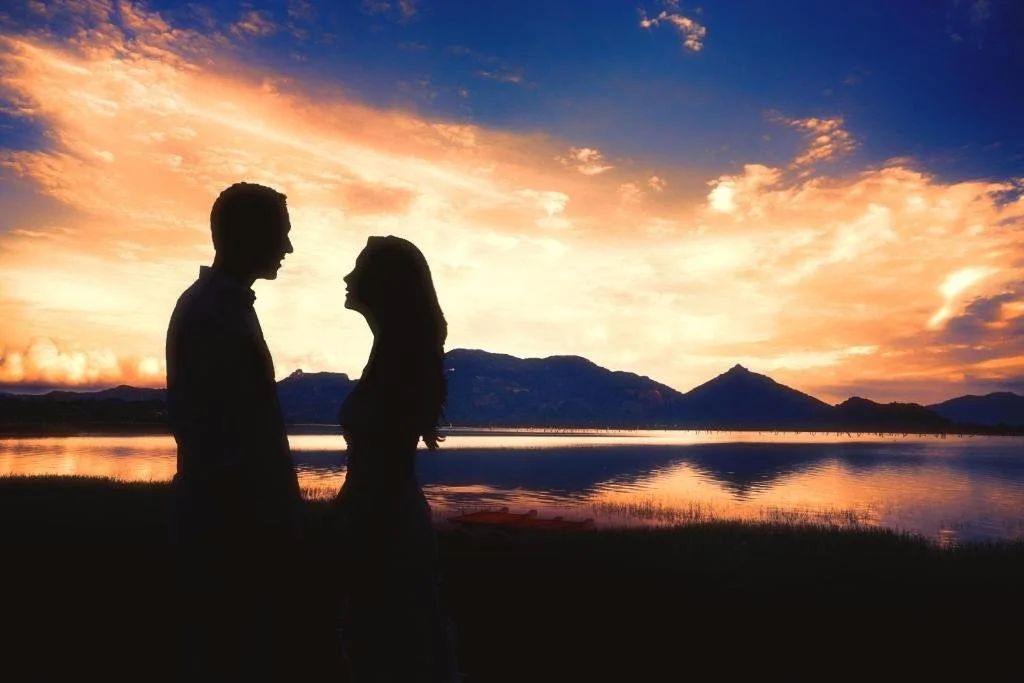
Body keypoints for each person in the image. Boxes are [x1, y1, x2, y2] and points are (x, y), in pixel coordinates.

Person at [165, 181, 303, 681]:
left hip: (233, 523)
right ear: (249, 234)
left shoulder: (225, 307)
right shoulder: (211, 313)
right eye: (281, 235)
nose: (288, 248)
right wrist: (275, 523)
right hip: (230, 529)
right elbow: (224, 434)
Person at [332, 235, 460, 682]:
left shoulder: (396, 366)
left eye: (358, 267)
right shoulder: (390, 356)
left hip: (384, 526)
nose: (348, 277)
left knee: (391, 650)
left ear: (385, 285)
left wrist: (343, 525)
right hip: (387, 520)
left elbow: (382, 469)